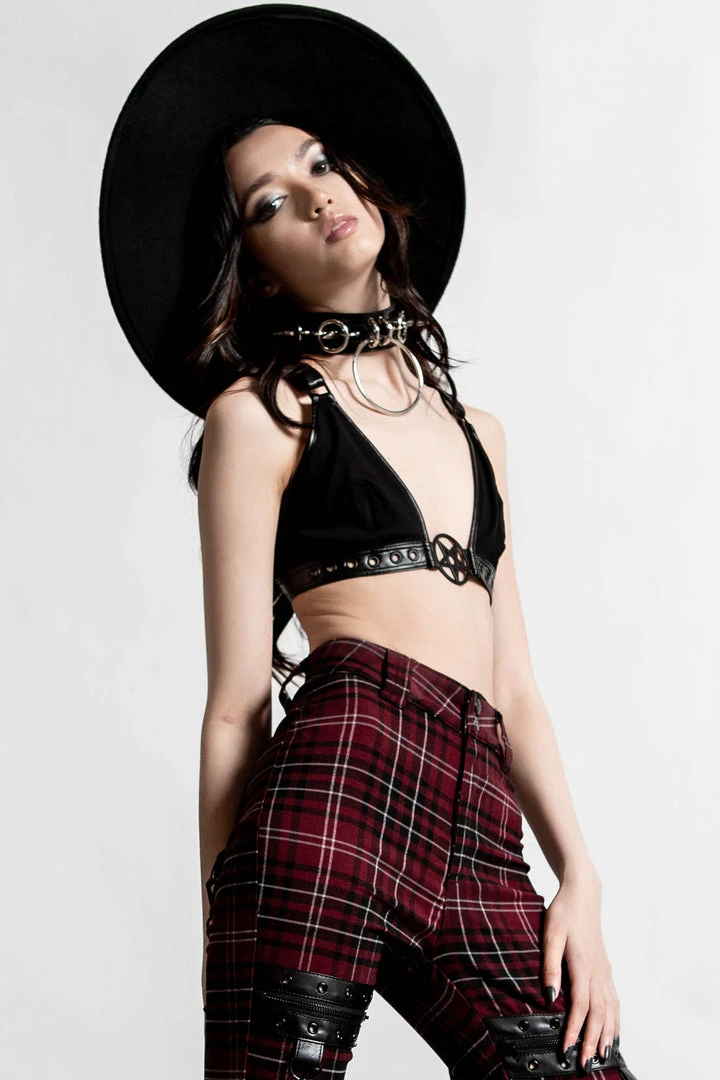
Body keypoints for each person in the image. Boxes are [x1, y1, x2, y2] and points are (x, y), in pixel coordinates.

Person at [99, 7, 640, 1080]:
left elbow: (516, 689)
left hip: (480, 826)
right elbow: (234, 704)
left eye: (319, 163)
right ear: (256, 267)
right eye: (269, 203)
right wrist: (219, 919)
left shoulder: (480, 435)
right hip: (337, 793)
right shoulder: (260, 420)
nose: (315, 196)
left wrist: (579, 879)